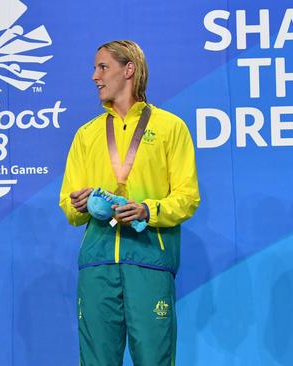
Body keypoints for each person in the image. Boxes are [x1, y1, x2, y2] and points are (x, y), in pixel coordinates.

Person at [59, 40, 200, 365]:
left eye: (103, 67)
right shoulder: (86, 134)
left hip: (149, 259)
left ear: (129, 70)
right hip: (98, 263)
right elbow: (67, 205)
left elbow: (187, 196)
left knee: (154, 359)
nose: (95, 76)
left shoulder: (170, 128)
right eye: (95, 68)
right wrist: (78, 203)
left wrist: (148, 210)